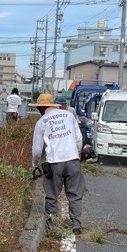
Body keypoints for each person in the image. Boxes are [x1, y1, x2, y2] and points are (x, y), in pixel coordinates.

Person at [32, 91, 85, 235]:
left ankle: (51, 226)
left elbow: (37, 149)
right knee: (74, 194)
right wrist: (77, 155)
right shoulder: (69, 115)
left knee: (52, 194)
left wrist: (35, 164)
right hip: (73, 159)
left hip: (54, 162)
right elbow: (79, 139)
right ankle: (76, 226)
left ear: (41, 108)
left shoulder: (41, 122)